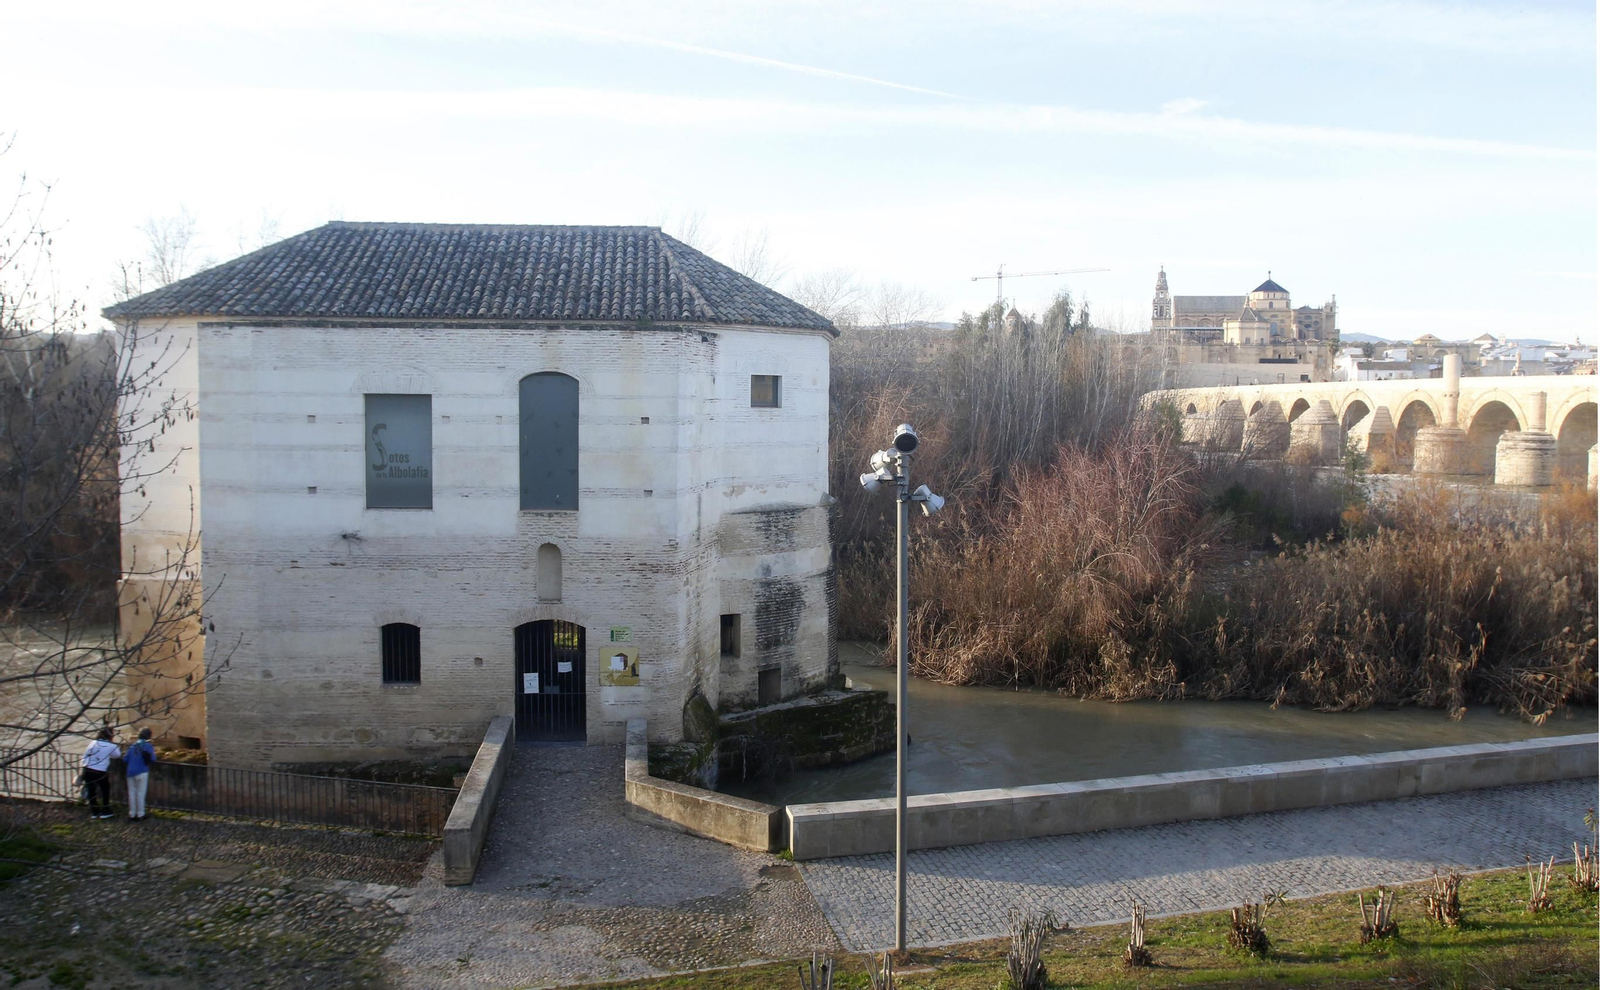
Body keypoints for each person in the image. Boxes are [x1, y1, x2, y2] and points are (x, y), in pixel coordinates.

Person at [80, 727, 118, 820]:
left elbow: (85, 755)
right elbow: (117, 755)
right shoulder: (111, 746)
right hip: (100, 771)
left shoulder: (93, 743)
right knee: (105, 790)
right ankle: (105, 810)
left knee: (91, 791)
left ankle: (94, 812)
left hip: (88, 768)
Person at [124, 727, 157, 821]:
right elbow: (153, 759)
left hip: (130, 771)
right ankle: (140, 814)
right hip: (142, 771)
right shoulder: (148, 746)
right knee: (140, 793)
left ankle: (132, 814)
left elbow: (125, 759)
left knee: (131, 793)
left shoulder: (133, 746)